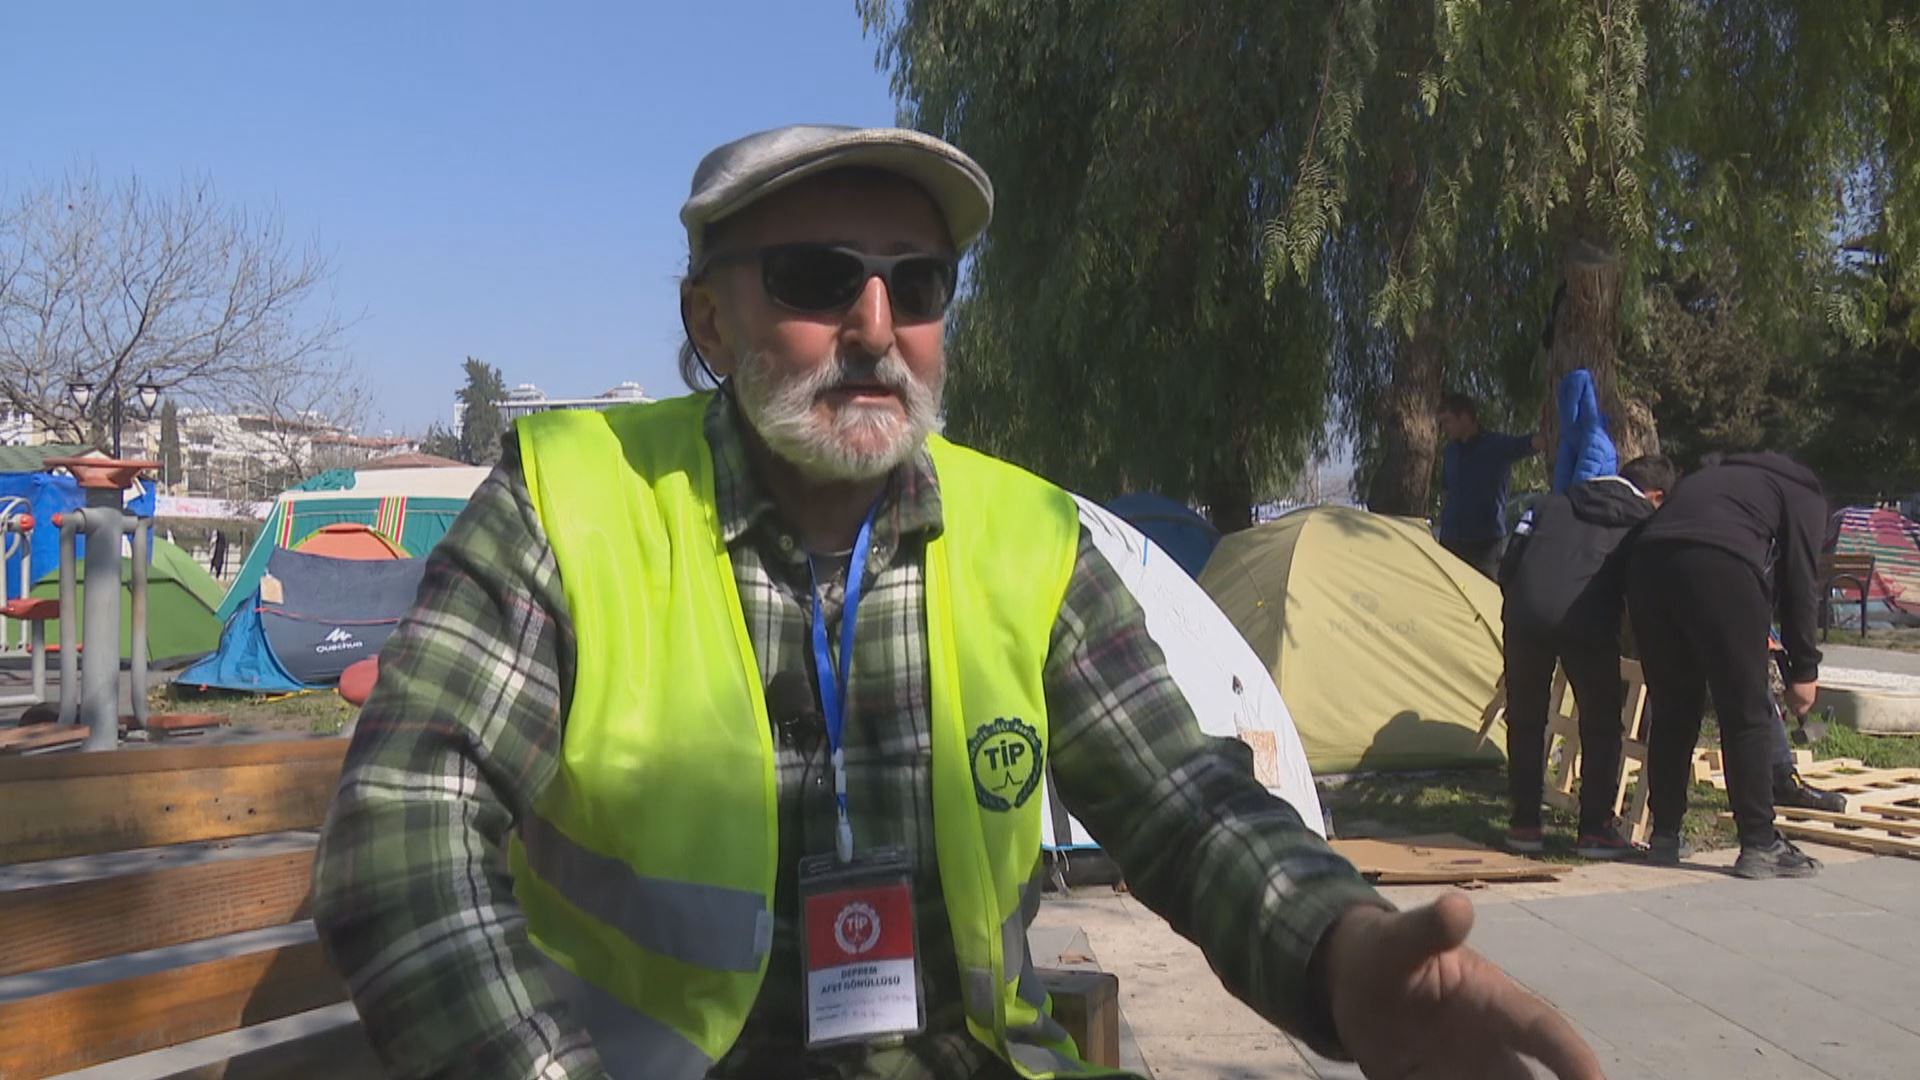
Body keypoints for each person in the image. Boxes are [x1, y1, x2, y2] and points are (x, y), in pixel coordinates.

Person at [312, 124, 1601, 1080]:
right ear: (708, 318)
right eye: (820, 278)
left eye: (917, 285)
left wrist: (1345, 951)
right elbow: (404, 834)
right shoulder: (567, 501)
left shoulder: (1027, 536)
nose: (878, 326)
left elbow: (1186, 807)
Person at [1628, 451, 1829, 879]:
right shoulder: (1804, 495)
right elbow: (1801, 584)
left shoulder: (1714, 477)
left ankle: (1664, 835)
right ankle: (1759, 843)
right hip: (1719, 563)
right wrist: (1805, 671)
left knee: (1674, 706)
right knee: (1746, 708)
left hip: (1646, 564)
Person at [1500, 454, 1677, 859]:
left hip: (1525, 613)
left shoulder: (1550, 503)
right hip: (1588, 619)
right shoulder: (1642, 522)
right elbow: (1645, 588)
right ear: (1655, 496)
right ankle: (1595, 829)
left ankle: (1524, 824)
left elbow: (1509, 561)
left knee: (1526, 718)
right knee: (1600, 725)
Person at [1437, 393, 1544, 578]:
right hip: (1451, 540)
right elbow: (1446, 488)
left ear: (1464, 417)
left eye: (1447, 421)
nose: (1444, 428)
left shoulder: (1495, 446)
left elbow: (1526, 444)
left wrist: (1551, 431)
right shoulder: (1450, 452)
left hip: (1484, 543)